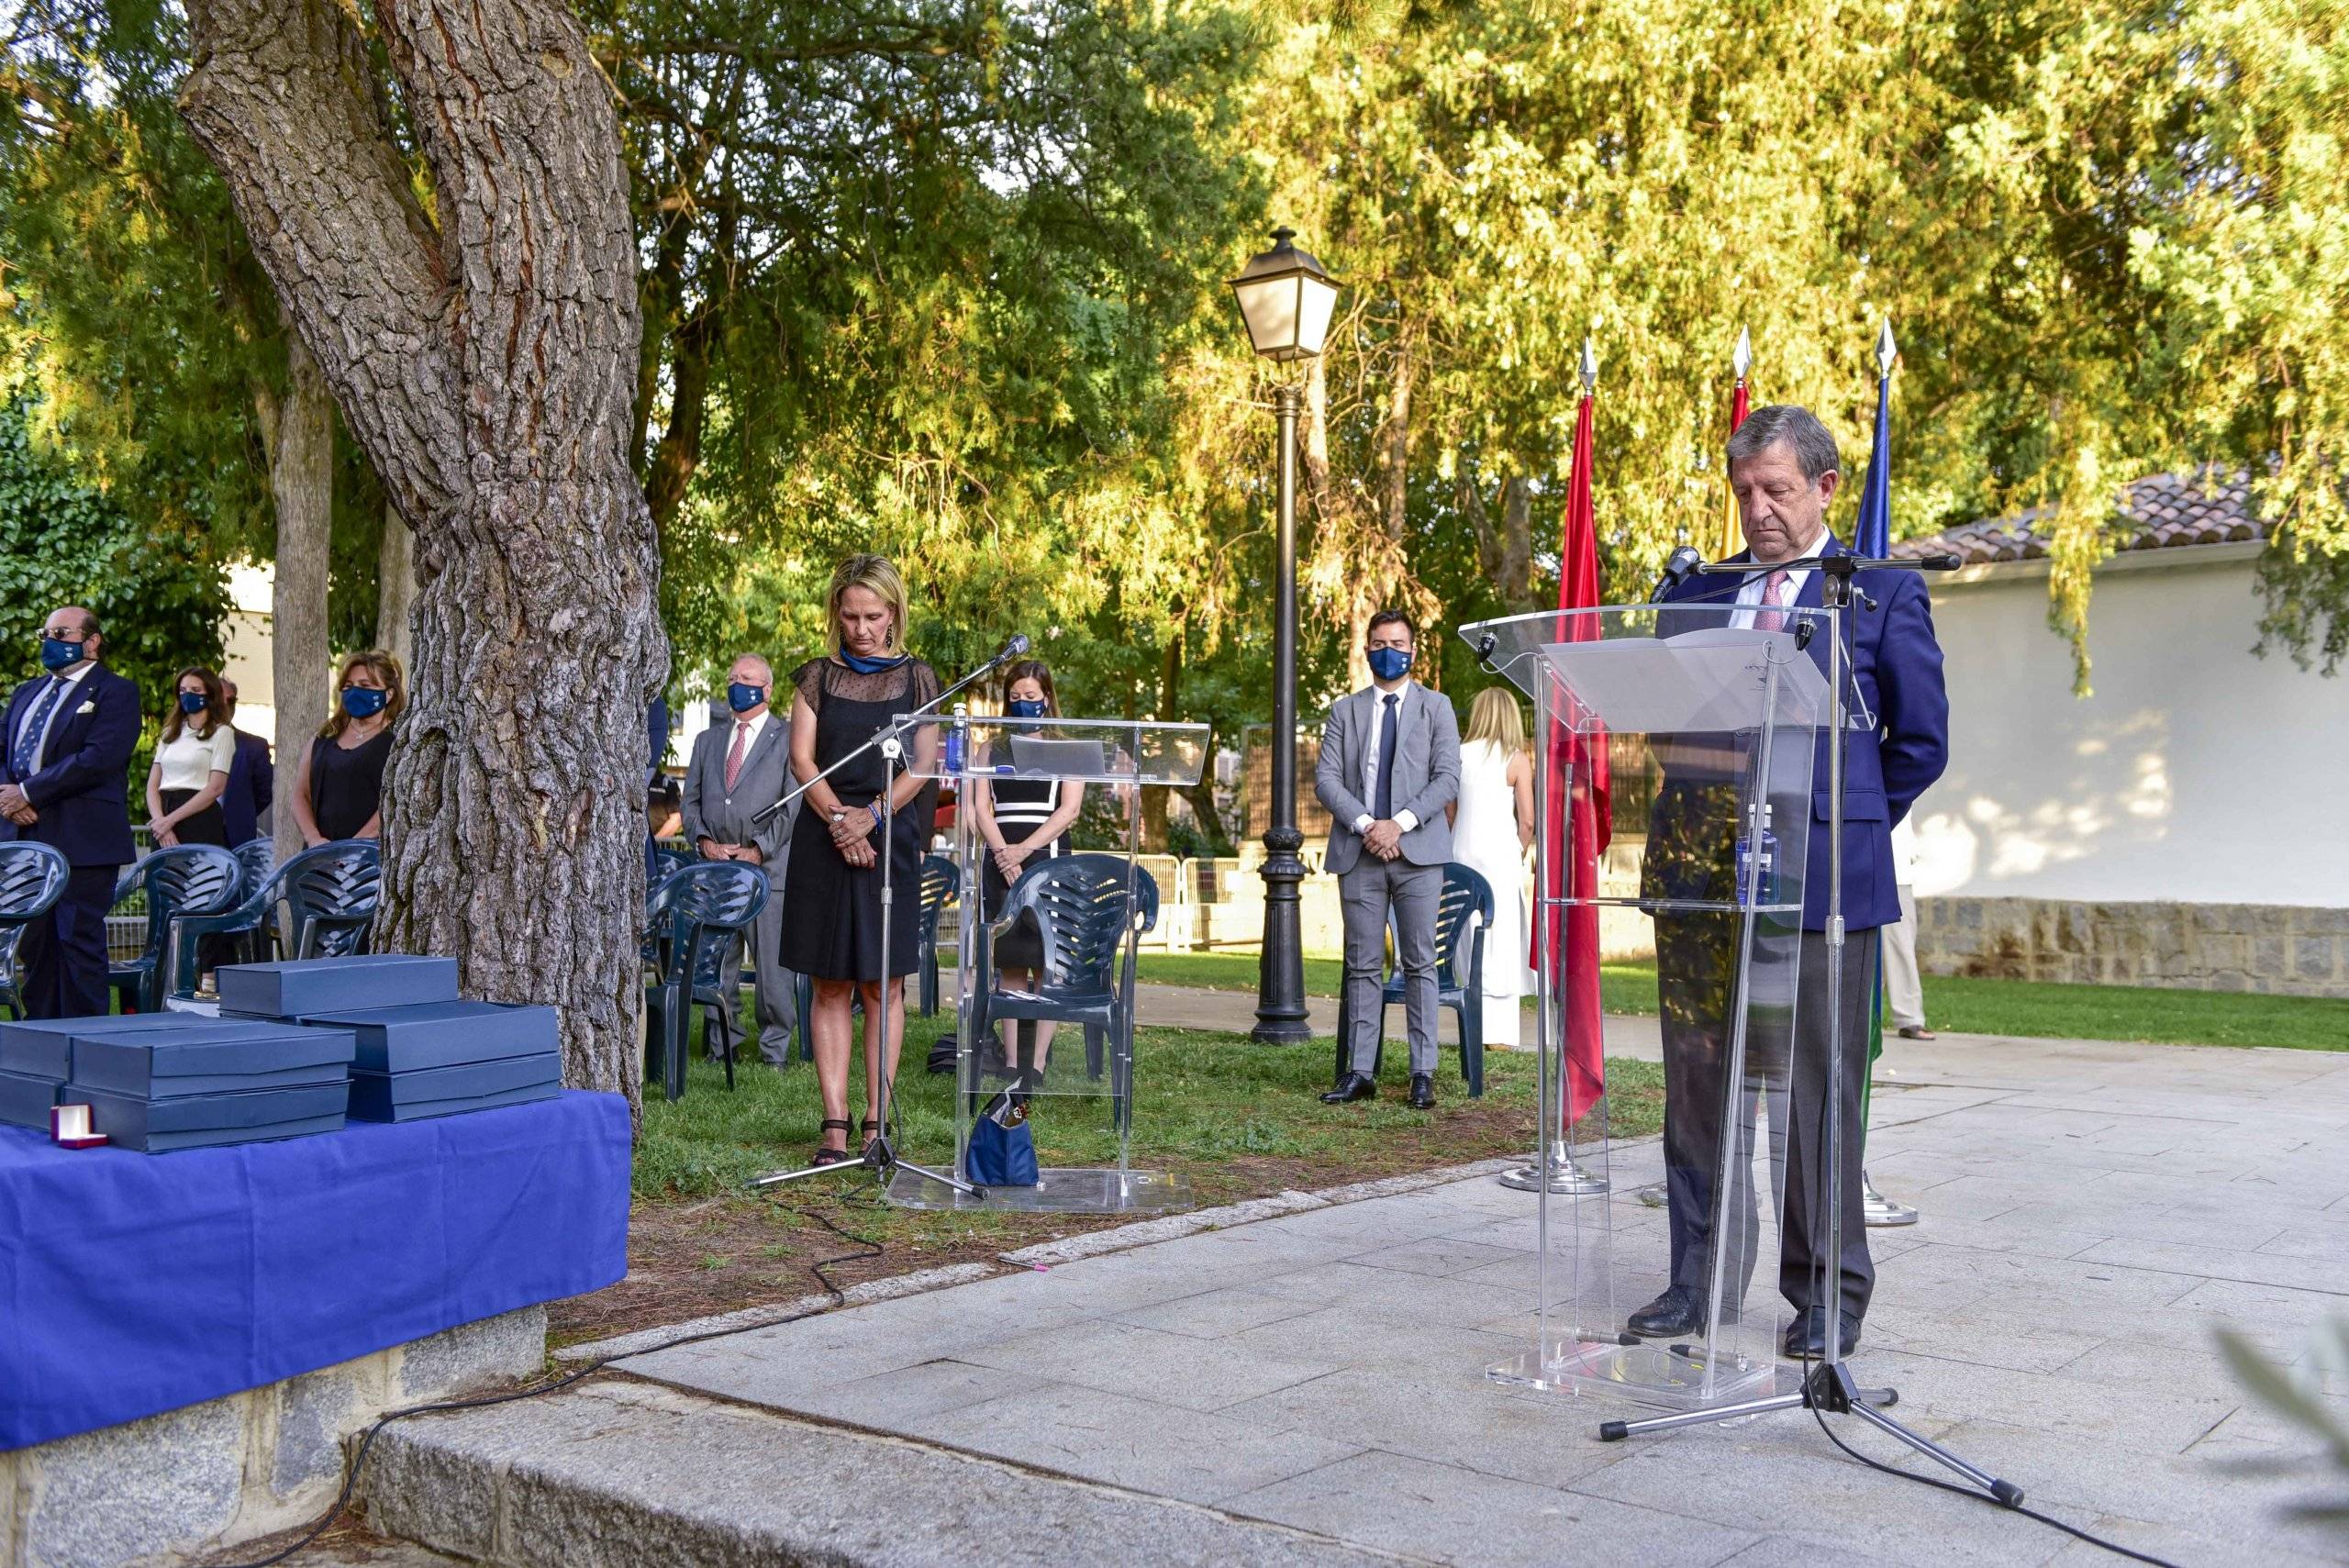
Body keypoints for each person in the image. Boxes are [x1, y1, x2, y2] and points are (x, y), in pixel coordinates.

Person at [1635, 404, 1948, 1359]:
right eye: (1743, 492)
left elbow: (1920, 742)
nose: (1758, 510)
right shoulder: (1698, 593)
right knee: (1697, 1089)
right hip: (1700, 877)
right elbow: (1664, 725)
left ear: (1822, 487)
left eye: (1776, 489)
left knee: (1815, 1094)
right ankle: (1698, 1279)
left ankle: (1824, 1294)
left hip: (1824, 888)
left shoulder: (1878, 594)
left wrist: (1834, 824)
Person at [778, 555, 941, 1165]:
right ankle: (834, 1123)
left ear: (894, 613)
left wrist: (871, 814)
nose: (861, 627)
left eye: (873, 615)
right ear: (836, 615)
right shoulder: (816, 676)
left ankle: (877, 1122)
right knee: (829, 982)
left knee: (882, 983)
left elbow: (921, 764)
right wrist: (841, 822)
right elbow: (802, 760)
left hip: (889, 837)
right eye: (850, 616)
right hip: (825, 837)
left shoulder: (919, 679)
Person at [1315, 610, 1463, 1109]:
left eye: (1397, 642)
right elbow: (1327, 780)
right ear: (1367, 650)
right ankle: (1360, 1071)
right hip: (1359, 851)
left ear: (1413, 649)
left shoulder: (1437, 707)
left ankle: (1423, 1072)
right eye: (1378, 642)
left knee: (1421, 963)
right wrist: (1368, 826)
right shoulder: (1344, 711)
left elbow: (1446, 779)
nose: (1387, 650)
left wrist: (1398, 824)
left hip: (1418, 852)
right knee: (1361, 965)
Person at [0, 606, 140, 1018]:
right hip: (23, 836)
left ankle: (87, 1044)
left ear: (92, 641)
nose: (50, 640)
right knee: (35, 945)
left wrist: (28, 792)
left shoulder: (116, 691)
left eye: (61, 632)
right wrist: (9, 795)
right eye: (45, 633)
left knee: (77, 942)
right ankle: (43, 1041)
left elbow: (99, 758)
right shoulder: (28, 691)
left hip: (83, 839)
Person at [968, 660, 1085, 1084]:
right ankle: (1014, 1060)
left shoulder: (1068, 750)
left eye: (1031, 698)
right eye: (1014, 698)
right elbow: (982, 807)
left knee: (1047, 963)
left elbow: (1069, 809)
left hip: (1048, 859)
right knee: (1011, 961)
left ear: (1047, 699)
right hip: (1000, 862)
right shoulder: (988, 749)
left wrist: (1024, 850)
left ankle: (1037, 1064)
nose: (1022, 705)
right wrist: (1003, 853)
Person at [681, 654, 799, 1067]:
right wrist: (703, 840)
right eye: (732, 677)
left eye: (746, 678)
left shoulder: (788, 740)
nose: (737, 684)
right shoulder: (707, 741)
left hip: (768, 872)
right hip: (717, 872)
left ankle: (774, 1051)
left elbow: (794, 804)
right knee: (719, 963)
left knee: (772, 970)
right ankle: (722, 1044)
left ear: (766, 688)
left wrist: (759, 848)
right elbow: (690, 802)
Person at [1447, 686, 1535, 1049]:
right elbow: (1527, 820)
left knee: (1464, 934)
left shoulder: (1457, 754)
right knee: (1501, 937)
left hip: (1461, 852)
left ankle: (1471, 1024)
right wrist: (1519, 850)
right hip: (1500, 856)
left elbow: (1449, 809)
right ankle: (1500, 1034)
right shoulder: (1516, 760)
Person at [292, 651, 402, 846]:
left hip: (369, 861)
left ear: (389, 694)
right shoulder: (324, 736)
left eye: (365, 686)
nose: (355, 691)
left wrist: (349, 848)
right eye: (349, 686)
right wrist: (314, 839)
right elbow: (300, 794)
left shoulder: (399, 741)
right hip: (319, 858)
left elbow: (393, 802)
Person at [145, 666, 235, 850]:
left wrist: (170, 820)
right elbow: (153, 784)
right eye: (183, 690)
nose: (188, 695)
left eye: (196, 690)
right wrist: (160, 822)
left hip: (198, 815)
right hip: (163, 815)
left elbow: (215, 788)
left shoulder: (222, 733)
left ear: (210, 694)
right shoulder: (169, 733)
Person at [1882, 815, 1932, 1039]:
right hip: (1871, 861)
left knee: (1901, 945)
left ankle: (1909, 1018)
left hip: (1898, 868)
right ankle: (1861, 1017)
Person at [217, 680, 274, 849]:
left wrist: (240, 814)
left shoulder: (254, 746)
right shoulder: (187, 742)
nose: (225, 705)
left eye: (231, 701)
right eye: (219, 699)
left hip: (236, 841)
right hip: (194, 838)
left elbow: (263, 794)